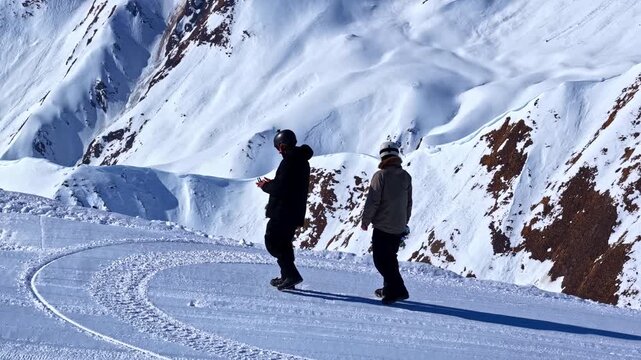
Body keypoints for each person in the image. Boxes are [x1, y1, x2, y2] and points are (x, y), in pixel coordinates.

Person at [256, 129, 313, 290]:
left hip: (283, 210)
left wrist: (265, 185)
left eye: (277, 147)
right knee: (284, 243)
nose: (278, 151)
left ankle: (291, 274)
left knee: (273, 242)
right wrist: (273, 182)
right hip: (293, 210)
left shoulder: (290, 161)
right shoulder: (300, 159)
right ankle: (287, 276)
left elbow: (282, 188)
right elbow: (288, 184)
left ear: (282, 145)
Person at [361, 141, 412, 304]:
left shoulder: (380, 176)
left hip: (383, 225)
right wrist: (404, 222)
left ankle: (398, 289)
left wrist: (366, 220)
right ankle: (390, 289)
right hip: (398, 226)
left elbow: (373, 200)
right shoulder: (406, 176)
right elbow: (408, 203)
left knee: (380, 260)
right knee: (390, 258)